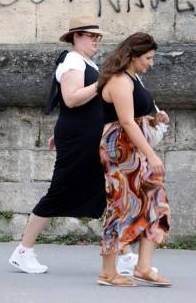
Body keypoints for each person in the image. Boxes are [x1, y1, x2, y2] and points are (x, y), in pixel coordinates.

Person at [9, 15, 106, 274]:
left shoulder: (84, 61)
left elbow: (71, 107)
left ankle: (124, 253)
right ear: (76, 36)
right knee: (59, 192)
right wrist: (101, 83)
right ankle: (23, 251)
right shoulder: (73, 60)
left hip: (84, 137)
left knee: (106, 190)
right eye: (90, 36)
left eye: (98, 37)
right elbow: (72, 99)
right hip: (80, 139)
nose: (96, 40)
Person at [97, 32, 171, 287]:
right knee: (120, 204)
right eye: (148, 58)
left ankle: (143, 266)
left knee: (156, 200)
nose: (151, 63)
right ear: (134, 56)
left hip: (134, 143)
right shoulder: (119, 80)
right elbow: (125, 121)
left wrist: (153, 120)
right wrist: (151, 155)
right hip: (120, 147)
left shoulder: (133, 78)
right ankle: (108, 271)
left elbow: (135, 117)